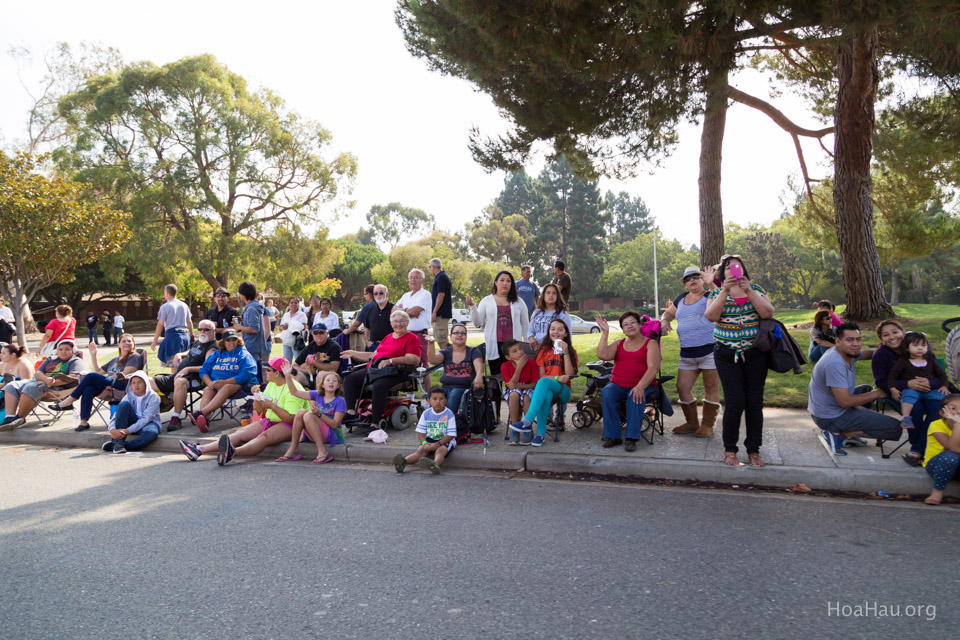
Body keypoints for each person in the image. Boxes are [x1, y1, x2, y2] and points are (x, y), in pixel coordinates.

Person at [705, 255, 775, 467]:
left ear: (743, 270)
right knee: (734, 403)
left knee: (754, 402)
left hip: (755, 354)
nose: (732, 270)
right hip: (726, 354)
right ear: (722, 273)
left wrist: (749, 291)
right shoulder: (717, 293)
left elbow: (767, 312)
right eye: (727, 267)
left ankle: (754, 450)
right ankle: (730, 450)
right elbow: (711, 316)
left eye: (736, 266)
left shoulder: (756, 289)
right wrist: (724, 291)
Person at [179, 357, 309, 465]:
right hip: (271, 419)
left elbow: (292, 419)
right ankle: (199, 449)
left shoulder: (293, 389)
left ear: (276, 373)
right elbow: (258, 411)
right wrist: (257, 398)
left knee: (264, 437)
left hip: (292, 425)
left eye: (268, 370)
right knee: (240, 432)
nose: (264, 372)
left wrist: (271, 406)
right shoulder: (272, 384)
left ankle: (233, 452)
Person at [807, 322, 902, 455]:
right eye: (850, 340)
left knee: (865, 389)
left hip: (826, 407)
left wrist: (888, 350)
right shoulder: (834, 363)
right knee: (895, 428)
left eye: (858, 339)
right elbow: (845, 402)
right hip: (830, 416)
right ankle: (839, 435)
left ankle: (849, 434)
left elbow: (869, 354)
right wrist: (877, 393)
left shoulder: (845, 352)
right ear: (838, 341)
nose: (855, 344)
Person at [660, 266, 720, 438]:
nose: (692, 280)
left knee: (711, 387)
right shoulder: (680, 299)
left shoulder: (710, 295)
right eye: (687, 278)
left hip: (710, 350)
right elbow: (668, 315)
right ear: (685, 284)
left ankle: (708, 425)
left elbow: (721, 299)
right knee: (682, 387)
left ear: (703, 280)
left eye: (696, 276)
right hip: (687, 354)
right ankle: (692, 423)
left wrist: (713, 285)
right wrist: (664, 320)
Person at [872, 320, 941, 466]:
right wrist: (906, 384)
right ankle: (920, 449)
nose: (892, 337)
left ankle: (917, 449)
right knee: (916, 408)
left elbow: (939, 376)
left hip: (927, 391)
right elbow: (881, 382)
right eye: (886, 335)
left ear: (903, 333)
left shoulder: (919, 346)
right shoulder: (881, 354)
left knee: (940, 407)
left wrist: (929, 383)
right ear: (881, 339)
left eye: (895, 332)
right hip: (900, 393)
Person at [340, 309, 422, 432]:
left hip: (397, 371)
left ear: (407, 322)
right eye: (395, 321)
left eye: (402, 321)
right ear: (391, 323)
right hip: (376, 370)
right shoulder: (388, 337)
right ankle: (351, 412)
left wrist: (391, 361)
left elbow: (414, 359)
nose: (398, 324)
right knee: (350, 379)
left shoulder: (411, 338)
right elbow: (373, 356)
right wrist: (354, 353)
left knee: (379, 386)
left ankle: (375, 422)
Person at [593, 312, 662, 451]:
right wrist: (605, 332)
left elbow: (653, 368)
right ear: (622, 330)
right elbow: (602, 355)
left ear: (640, 324)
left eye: (632, 323)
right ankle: (613, 436)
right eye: (625, 325)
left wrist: (640, 386)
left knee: (634, 395)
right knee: (607, 393)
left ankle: (631, 438)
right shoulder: (619, 343)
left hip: (643, 384)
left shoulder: (651, 343)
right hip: (617, 384)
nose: (629, 326)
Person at [49, 334, 145, 432]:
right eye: (124, 341)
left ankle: (69, 401)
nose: (127, 343)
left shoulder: (135, 356)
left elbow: (125, 373)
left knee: (91, 376)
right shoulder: (116, 359)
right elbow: (99, 371)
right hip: (109, 386)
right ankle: (83, 422)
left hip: (122, 386)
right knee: (88, 389)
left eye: (129, 341)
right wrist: (93, 355)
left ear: (133, 344)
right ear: (119, 344)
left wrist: (102, 379)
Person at [509, 319, 578, 447]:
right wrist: (557, 378)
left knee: (544, 383)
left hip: (564, 391)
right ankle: (540, 435)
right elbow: (542, 375)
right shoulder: (543, 351)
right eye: (553, 329)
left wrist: (566, 352)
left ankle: (527, 420)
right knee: (546, 393)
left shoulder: (571, 351)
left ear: (566, 333)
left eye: (560, 329)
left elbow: (569, 374)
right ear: (548, 332)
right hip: (548, 386)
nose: (556, 332)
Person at [151, 319, 219, 431]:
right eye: (200, 329)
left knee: (179, 382)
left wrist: (188, 369)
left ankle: (176, 417)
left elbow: (208, 368)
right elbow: (191, 352)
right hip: (179, 375)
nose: (202, 332)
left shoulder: (212, 348)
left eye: (206, 330)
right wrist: (180, 354)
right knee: (144, 381)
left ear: (213, 331)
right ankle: (163, 405)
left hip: (196, 379)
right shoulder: (199, 342)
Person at [1, 340, 85, 430]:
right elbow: (38, 372)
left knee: (30, 387)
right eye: (60, 349)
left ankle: (19, 418)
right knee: (11, 385)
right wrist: (45, 379)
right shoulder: (51, 359)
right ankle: (9, 417)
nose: (63, 351)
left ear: (73, 350)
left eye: (67, 349)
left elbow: (73, 377)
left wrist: (51, 381)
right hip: (41, 382)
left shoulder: (75, 361)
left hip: (57, 387)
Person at [188, 329, 259, 432]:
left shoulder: (243, 355)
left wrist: (225, 382)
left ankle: (201, 413)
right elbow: (204, 370)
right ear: (223, 342)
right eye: (228, 340)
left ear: (237, 340)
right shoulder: (217, 354)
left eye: (234, 339)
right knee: (208, 389)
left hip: (241, 385)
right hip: (217, 384)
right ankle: (204, 421)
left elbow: (246, 375)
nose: (231, 342)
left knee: (226, 387)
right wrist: (210, 383)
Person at [275, 367, 346, 464]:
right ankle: (293, 447)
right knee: (300, 412)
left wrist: (319, 414)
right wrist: (287, 376)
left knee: (308, 415)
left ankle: (322, 451)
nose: (331, 383)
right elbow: (294, 392)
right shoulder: (317, 394)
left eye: (334, 381)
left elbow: (334, 425)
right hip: (317, 431)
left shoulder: (340, 400)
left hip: (332, 434)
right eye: (328, 380)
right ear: (323, 385)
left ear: (338, 386)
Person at [466, 270, 529, 377]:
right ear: (496, 282)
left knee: (517, 377)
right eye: (502, 280)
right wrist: (472, 306)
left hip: (514, 346)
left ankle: (515, 394)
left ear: (512, 284)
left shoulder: (519, 302)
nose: (505, 283)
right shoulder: (486, 301)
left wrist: (527, 346)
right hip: (494, 345)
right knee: (496, 378)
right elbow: (478, 323)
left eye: (508, 281)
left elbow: (525, 325)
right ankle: (497, 394)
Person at [888, 332, 949, 430]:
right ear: (907, 348)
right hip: (912, 390)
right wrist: (892, 388)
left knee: (946, 398)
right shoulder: (903, 361)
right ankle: (906, 418)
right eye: (915, 345)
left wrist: (944, 386)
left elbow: (942, 375)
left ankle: (950, 420)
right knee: (907, 397)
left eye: (923, 345)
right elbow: (892, 376)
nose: (920, 348)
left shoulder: (931, 360)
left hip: (930, 390)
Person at [392, 387, 457, 474]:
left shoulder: (449, 414)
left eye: (441, 399)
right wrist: (424, 443)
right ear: (428, 400)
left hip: (445, 441)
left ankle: (435, 465)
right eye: (435, 399)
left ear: (446, 401)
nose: (438, 401)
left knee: (440, 451)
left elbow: (451, 435)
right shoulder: (426, 413)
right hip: (430, 439)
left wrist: (438, 444)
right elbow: (421, 433)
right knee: (420, 451)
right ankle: (403, 462)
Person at [425, 325, 484, 414]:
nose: (459, 335)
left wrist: (479, 376)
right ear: (450, 336)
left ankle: (446, 421)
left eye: (463, 333)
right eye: (456, 333)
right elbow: (433, 360)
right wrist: (431, 344)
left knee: (455, 394)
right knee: (435, 395)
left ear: (466, 337)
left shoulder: (473, 351)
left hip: (464, 388)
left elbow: (479, 365)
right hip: (445, 387)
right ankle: (434, 420)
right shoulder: (446, 351)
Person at [101, 371, 161, 454]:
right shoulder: (128, 396)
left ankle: (122, 445)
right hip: (132, 420)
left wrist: (128, 430)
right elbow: (116, 415)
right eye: (133, 383)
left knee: (152, 433)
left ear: (145, 383)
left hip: (149, 423)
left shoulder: (153, 397)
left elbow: (146, 418)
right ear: (130, 385)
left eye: (139, 382)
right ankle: (118, 442)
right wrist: (112, 430)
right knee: (123, 405)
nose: (136, 385)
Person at [922, 394, 960, 505]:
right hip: (937, 466)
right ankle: (937, 492)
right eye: (953, 408)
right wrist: (957, 425)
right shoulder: (936, 425)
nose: (958, 412)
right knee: (950, 456)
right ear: (942, 413)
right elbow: (952, 448)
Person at [231, 281, 271, 378]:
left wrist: (239, 327)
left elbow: (254, 329)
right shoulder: (254, 306)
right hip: (255, 345)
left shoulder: (251, 308)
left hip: (252, 346)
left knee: (253, 375)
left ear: (243, 294)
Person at [395, 269, 433, 368]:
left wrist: (402, 311)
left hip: (419, 335)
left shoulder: (425, 294)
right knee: (406, 366)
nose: (413, 280)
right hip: (404, 335)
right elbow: (393, 311)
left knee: (422, 366)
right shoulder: (406, 295)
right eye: (411, 278)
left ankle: (426, 384)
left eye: (416, 277)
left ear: (422, 280)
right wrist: (407, 311)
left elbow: (414, 312)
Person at [152, 284, 194, 369]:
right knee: (184, 364)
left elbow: (160, 324)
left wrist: (154, 341)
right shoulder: (184, 305)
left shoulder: (165, 306)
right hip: (184, 335)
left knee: (174, 365)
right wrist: (192, 335)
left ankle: (174, 381)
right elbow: (189, 321)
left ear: (167, 293)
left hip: (173, 337)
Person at [499, 339, 539, 429]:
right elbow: (511, 385)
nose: (520, 352)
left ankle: (527, 428)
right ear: (508, 357)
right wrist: (519, 368)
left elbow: (534, 385)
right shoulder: (505, 366)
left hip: (529, 391)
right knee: (513, 394)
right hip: (513, 392)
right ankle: (515, 428)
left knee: (526, 395)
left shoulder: (532, 363)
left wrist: (518, 386)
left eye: (520, 348)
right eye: (515, 351)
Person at [526, 283, 572, 358]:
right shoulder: (536, 313)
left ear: (558, 296)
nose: (551, 295)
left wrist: (545, 341)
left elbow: (568, 334)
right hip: (536, 350)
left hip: (554, 351)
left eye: (554, 293)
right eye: (548, 292)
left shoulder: (563, 314)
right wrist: (531, 337)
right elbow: (530, 330)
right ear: (543, 295)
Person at [352, 285, 393, 350]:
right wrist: (367, 341)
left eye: (381, 293)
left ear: (387, 294)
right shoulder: (371, 309)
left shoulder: (393, 309)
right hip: (374, 346)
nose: (378, 295)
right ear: (373, 295)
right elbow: (367, 327)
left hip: (389, 346)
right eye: (376, 293)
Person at [429, 258, 453, 349]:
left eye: (430, 267)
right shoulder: (439, 277)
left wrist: (434, 312)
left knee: (442, 340)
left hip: (441, 314)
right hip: (439, 314)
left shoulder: (442, 277)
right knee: (438, 339)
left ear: (433, 266)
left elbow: (441, 295)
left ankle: (451, 360)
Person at [278, 296, 309, 363]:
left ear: (298, 304)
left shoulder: (302, 315)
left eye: (295, 303)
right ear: (289, 304)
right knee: (286, 361)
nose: (293, 304)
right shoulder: (286, 315)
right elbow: (280, 327)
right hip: (286, 341)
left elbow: (303, 327)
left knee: (298, 360)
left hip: (296, 341)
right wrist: (283, 327)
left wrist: (290, 326)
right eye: (291, 303)